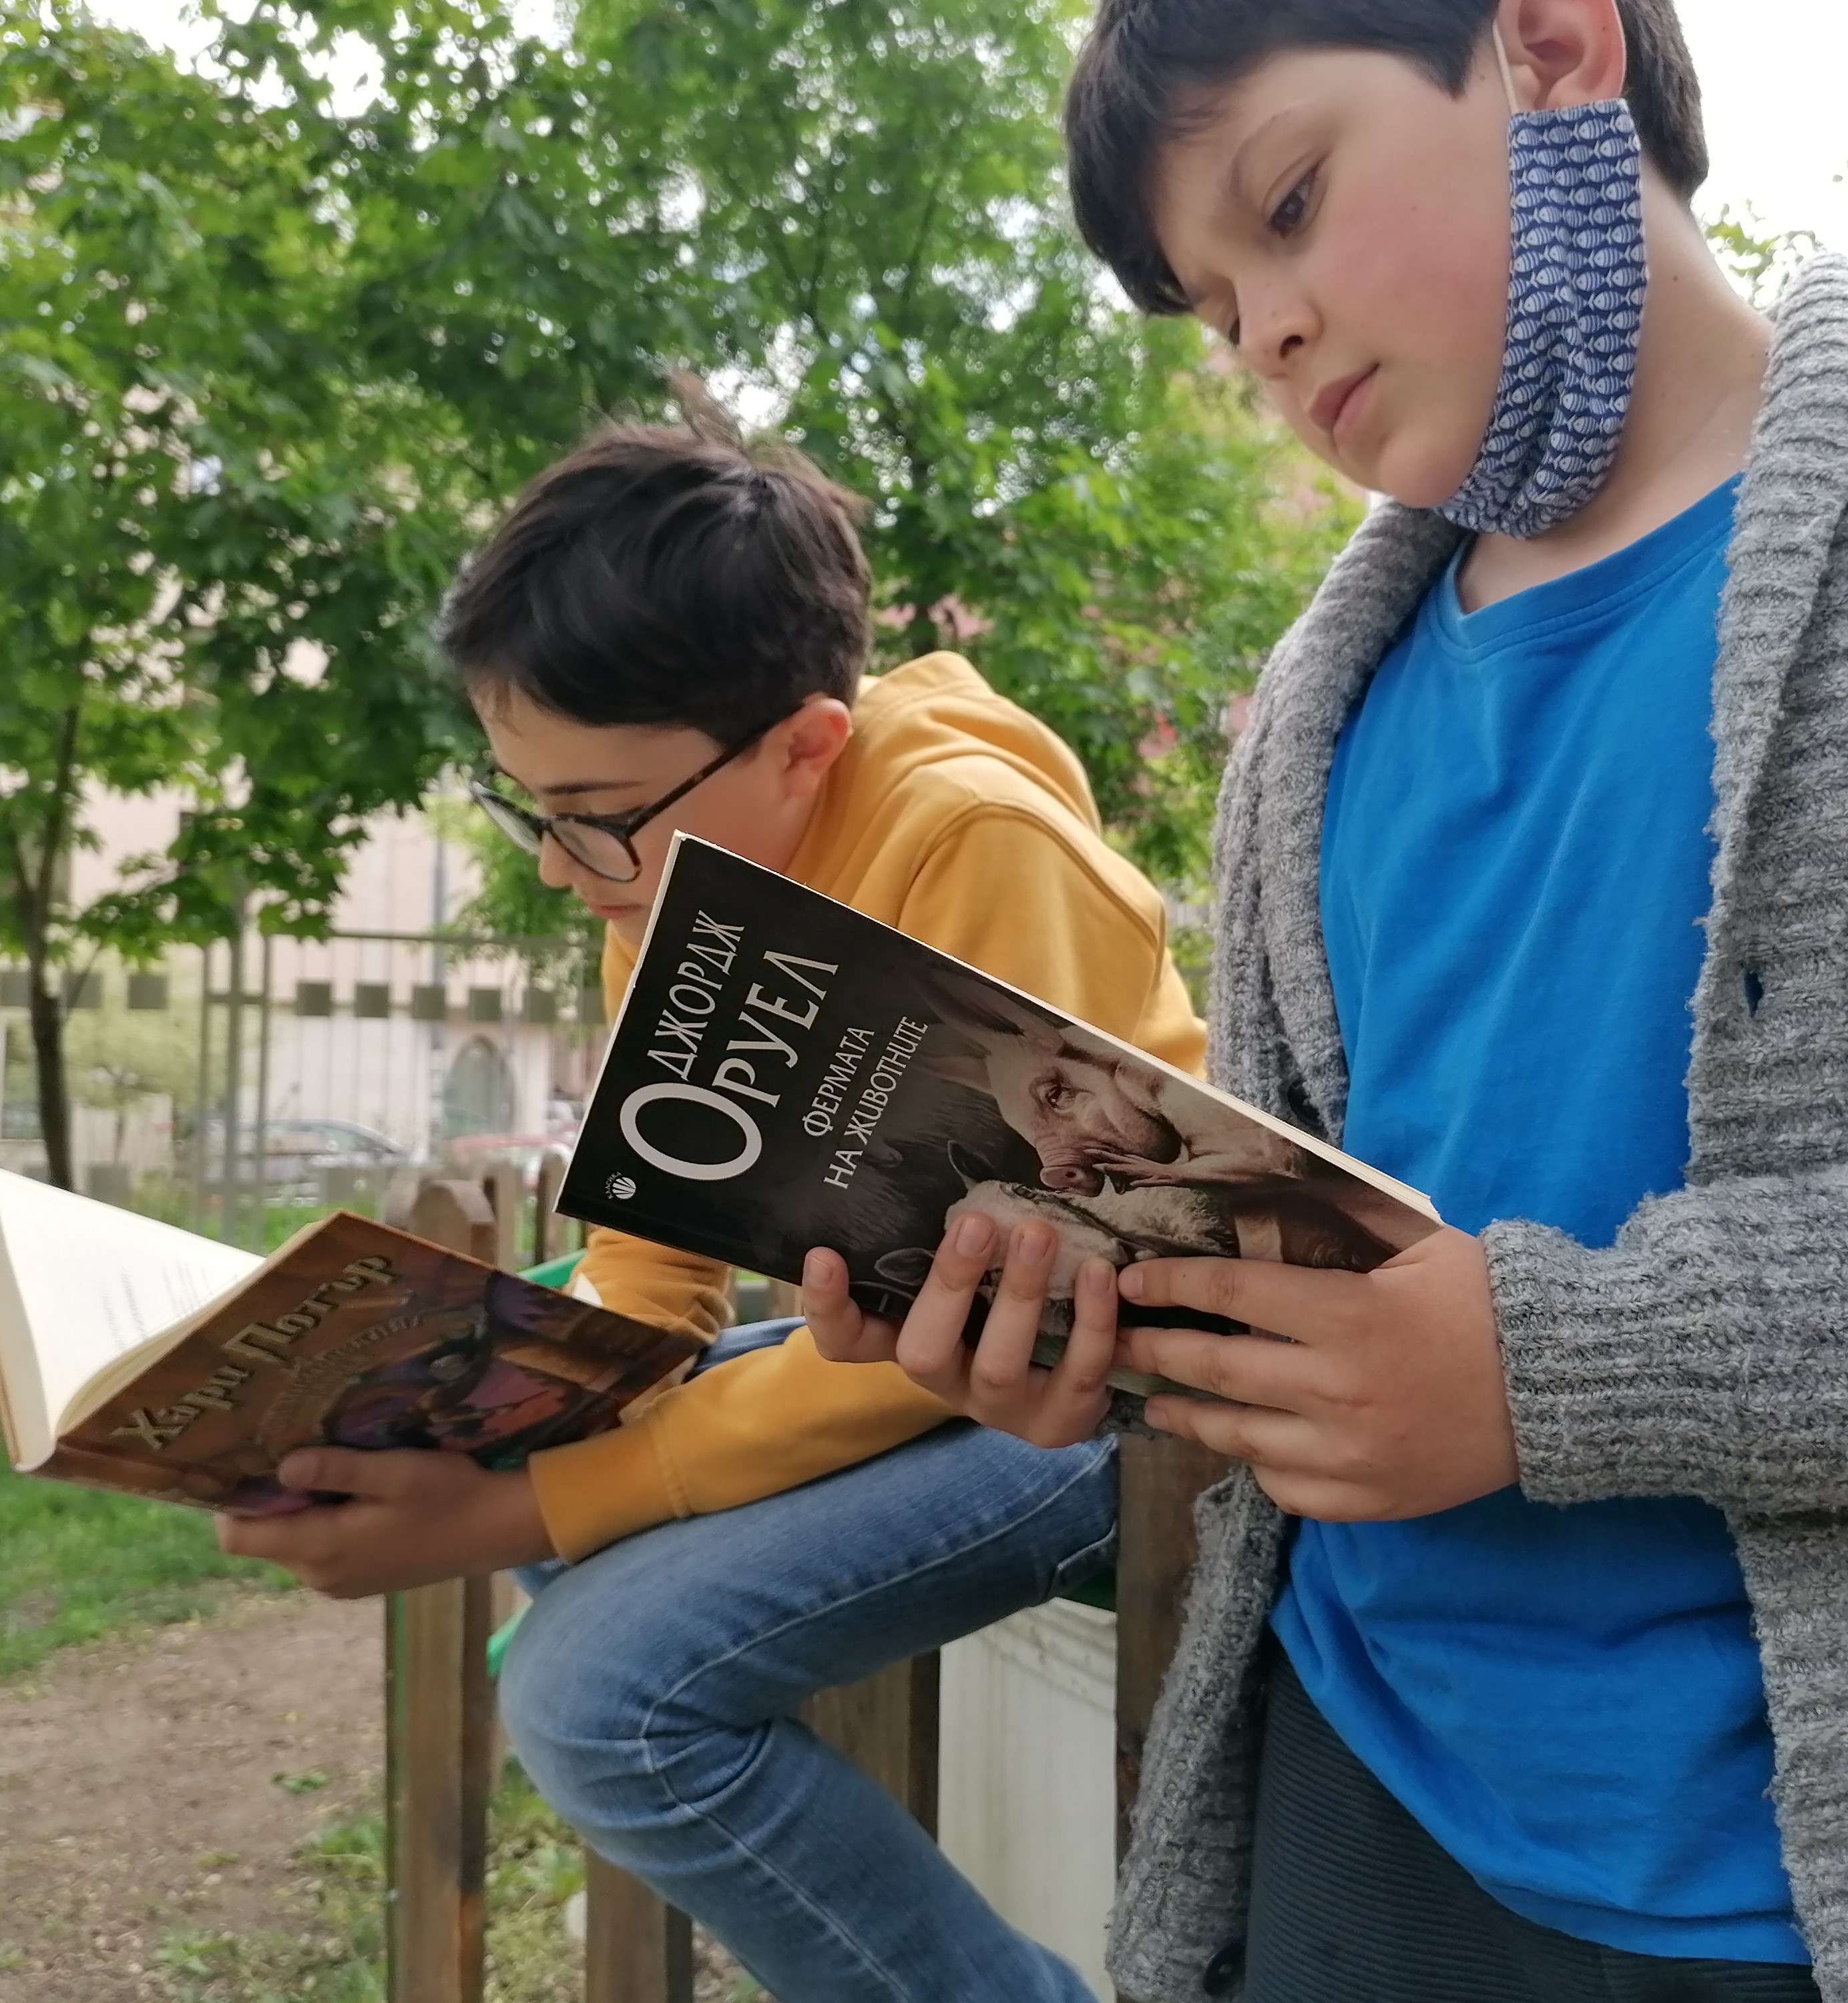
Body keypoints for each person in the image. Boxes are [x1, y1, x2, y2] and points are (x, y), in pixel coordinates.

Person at [804, 1, 1848, 1998]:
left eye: (1289, 203)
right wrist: (1088, 1325)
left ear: (1553, 46)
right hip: (1356, 1805)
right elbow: (1308, 1269)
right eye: (1212, 307)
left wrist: (1553, 1369)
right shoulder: (1308, 719)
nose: (1261, 336)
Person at [220, 396, 1206, 2003]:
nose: (557, 868)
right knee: (540, 1501)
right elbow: (653, 1268)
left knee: (595, 1707)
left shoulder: (978, 845)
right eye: (527, 806)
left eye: (590, 815)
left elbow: (995, 1318)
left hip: (1111, 1395)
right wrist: (489, 1398)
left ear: (804, 745)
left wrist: (521, 1512)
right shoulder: (665, 876)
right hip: (914, 1360)